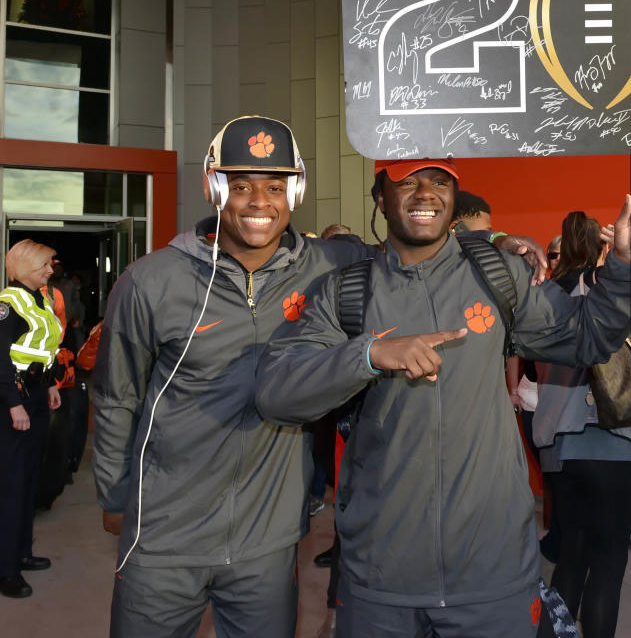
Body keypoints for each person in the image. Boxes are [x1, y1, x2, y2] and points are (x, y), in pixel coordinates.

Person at [94, 116, 548, 638]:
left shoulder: (331, 265)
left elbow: (420, 242)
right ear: (214, 187)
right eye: (240, 186)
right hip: (164, 535)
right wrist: (116, 496)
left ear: (296, 191)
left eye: (275, 186)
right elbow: (115, 396)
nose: (259, 201)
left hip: (267, 539)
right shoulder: (152, 280)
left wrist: (499, 241)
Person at [255, 158, 631, 638]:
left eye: (439, 181)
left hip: (492, 576)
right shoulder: (346, 291)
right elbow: (276, 392)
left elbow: (589, 337)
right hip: (381, 579)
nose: (426, 192)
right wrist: (367, 355)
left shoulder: (498, 275)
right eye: (407, 181)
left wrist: (618, 265)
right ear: (380, 197)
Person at [532, 209, 631, 638]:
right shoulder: (606, 292)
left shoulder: (544, 294)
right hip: (601, 436)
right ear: (601, 248)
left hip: (555, 443)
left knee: (571, 558)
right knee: (609, 564)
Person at [0, 240, 62, 598]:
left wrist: (51, 384)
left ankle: (21, 553)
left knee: (28, 479)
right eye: (43, 266)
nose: (50, 272)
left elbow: (43, 348)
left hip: (37, 394)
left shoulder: (40, 299)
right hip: (15, 400)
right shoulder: (9, 305)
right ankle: (6, 570)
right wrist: (13, 403)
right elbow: (0, 360)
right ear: (24, 267)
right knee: (10, 484)